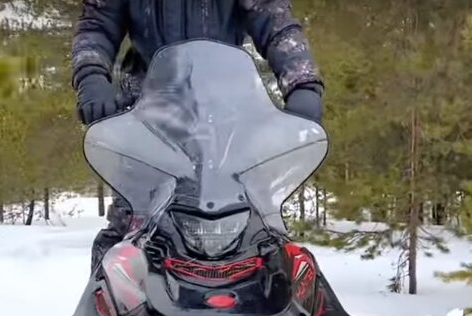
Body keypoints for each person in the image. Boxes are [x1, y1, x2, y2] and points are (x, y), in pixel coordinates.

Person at [70, 0, 326, 272]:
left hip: (227, 119)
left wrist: (303, 84)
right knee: (129, 228)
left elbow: (277, 23)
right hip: (149, 119)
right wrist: (91, 77)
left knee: (256, 226)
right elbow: (97, 26)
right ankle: (108, 306)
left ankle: (274, 300)